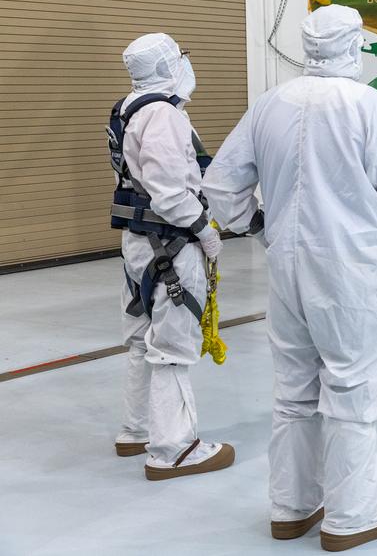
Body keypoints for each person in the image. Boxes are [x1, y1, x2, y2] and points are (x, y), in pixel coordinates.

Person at [203, 6, 377, 551]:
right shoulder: (367, 105)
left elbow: (220, 186)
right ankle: (353, 514)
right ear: (354, 45)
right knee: (351, 388)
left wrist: (262, 227)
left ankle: (291, 507)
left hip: (287, 268)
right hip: (351, 271)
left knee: (294, 390)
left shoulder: (269, 105)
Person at [109, 33, 233, 480]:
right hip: (171, 244)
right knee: (173, 348)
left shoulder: (128, 109)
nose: (187, 63)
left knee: (143, 340)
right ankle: (172, 449)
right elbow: (167, 189)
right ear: (166, 67)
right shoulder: (162, 116)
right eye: (181, 56)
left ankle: (135, 429)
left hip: (140, 244)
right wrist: (204, 230)